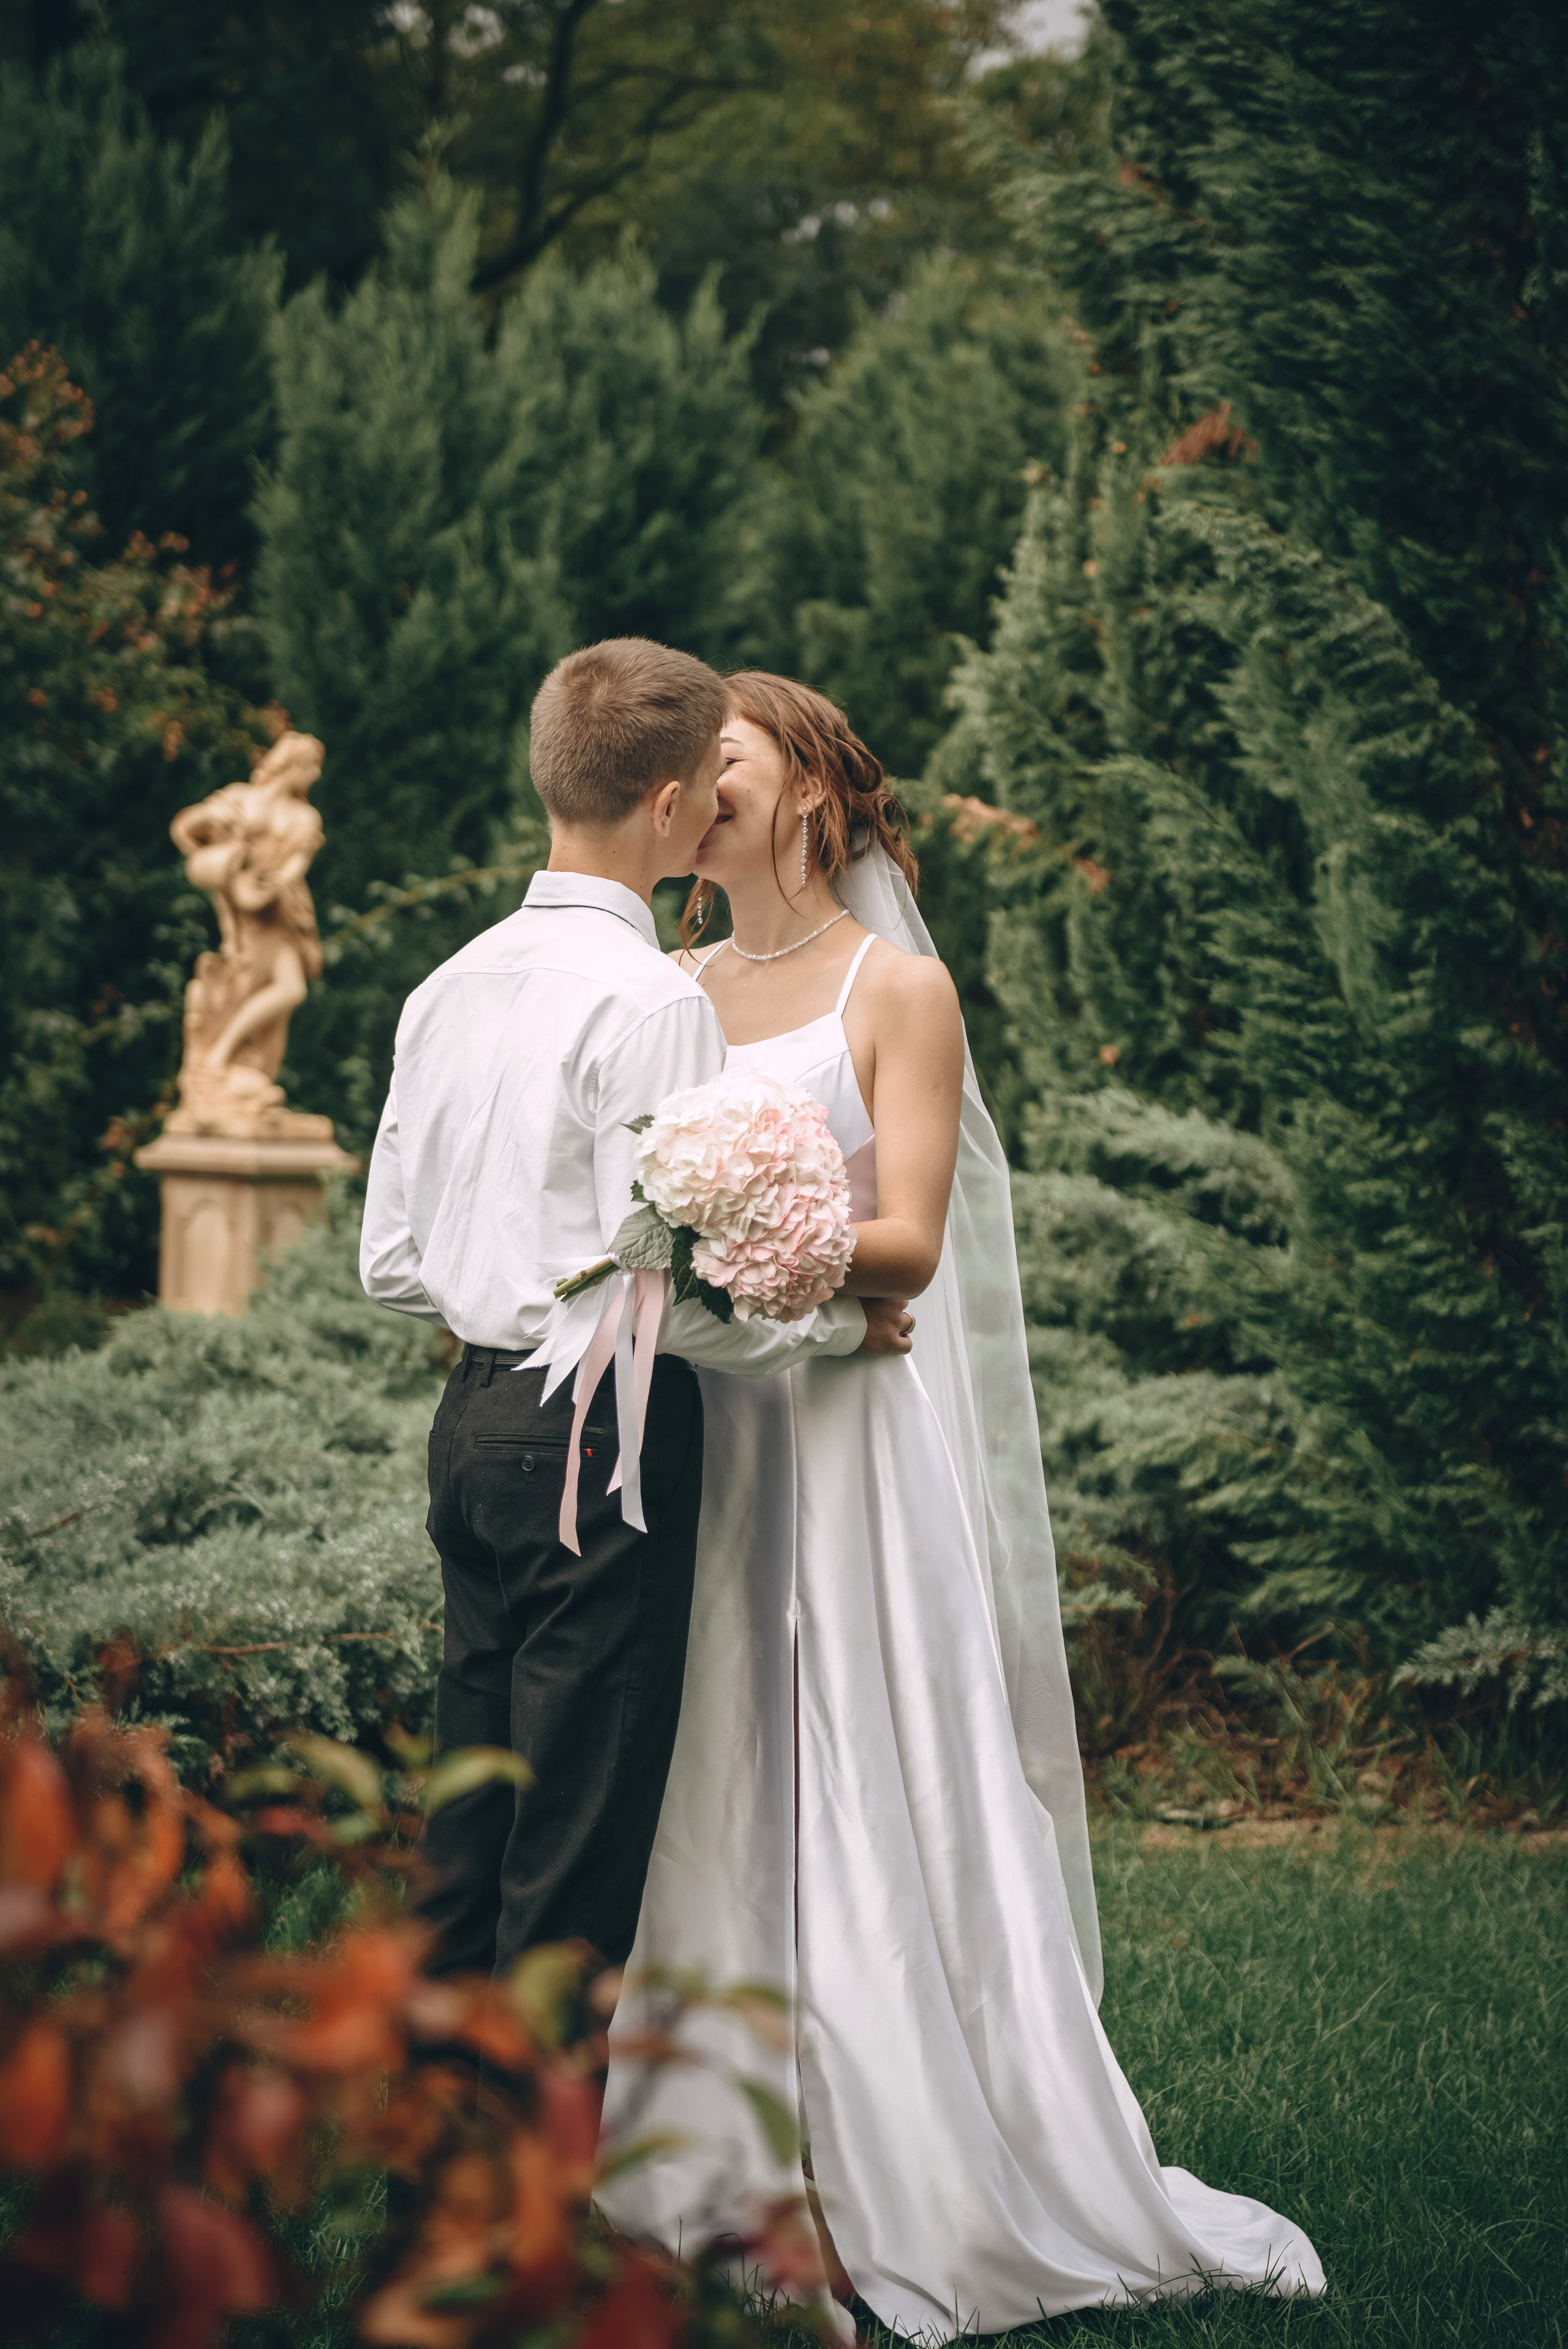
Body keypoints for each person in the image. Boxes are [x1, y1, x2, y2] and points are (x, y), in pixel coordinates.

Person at [598, 674, 1325, 2332]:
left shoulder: (899, 988)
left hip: (850, 1440)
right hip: (721, 1432)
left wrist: (742, 1245)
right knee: (717, 1761)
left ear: (808, 784)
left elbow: (910, 1241)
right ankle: (716, 2155)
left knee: (876, 1752)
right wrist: (698, 1253)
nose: (691, 785)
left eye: (722, 756)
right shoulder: (667, 988)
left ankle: (919, 2151)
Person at [359, 640, 911, 1983]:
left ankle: (425, 2117)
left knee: (471, 1819)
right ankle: (531, 2126)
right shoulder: (653, 999)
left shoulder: (448, 984)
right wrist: (836, 1327)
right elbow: (658, 1298)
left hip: (469, 1426)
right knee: (575, 1846)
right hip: (595, 1447)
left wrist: (507, 1283)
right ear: (670, 805)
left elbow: (389, 1261)